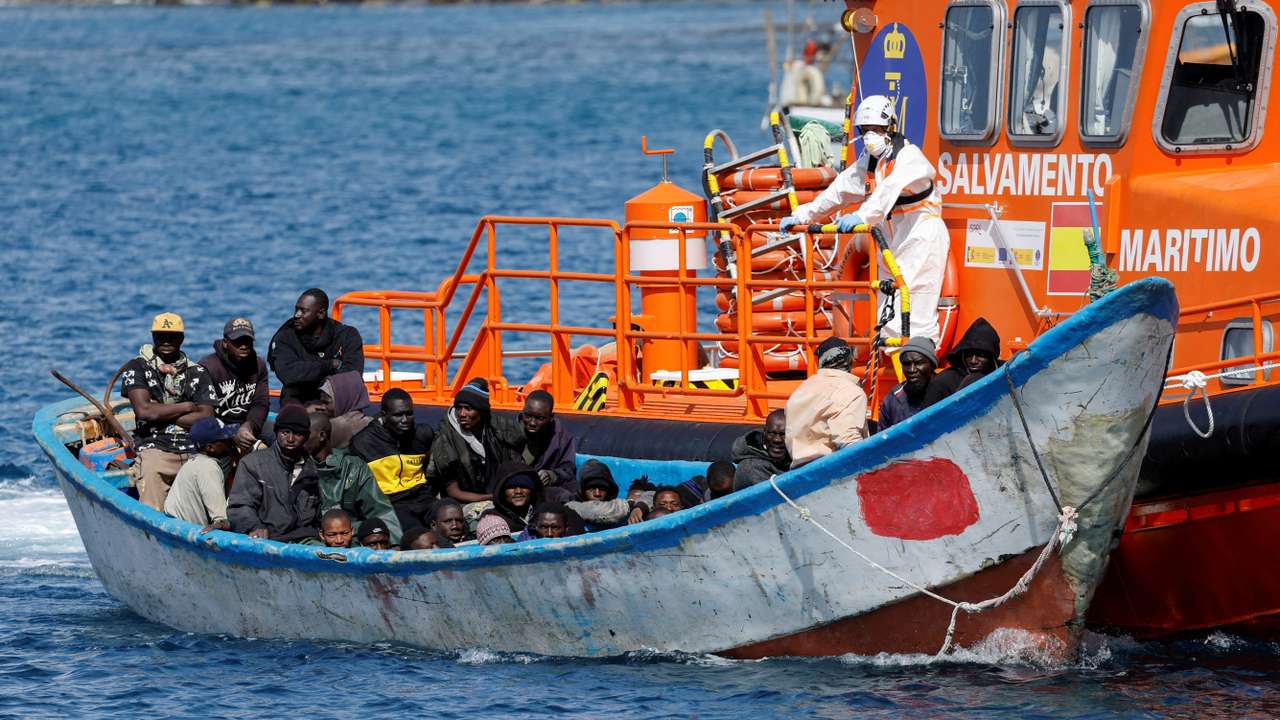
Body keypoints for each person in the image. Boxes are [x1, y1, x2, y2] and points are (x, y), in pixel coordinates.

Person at [779, 95, 949, 346]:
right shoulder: (870, 164)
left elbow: (888, 190)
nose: (870, 135)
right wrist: (803, 214)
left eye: (877, 130)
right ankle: (888, 366)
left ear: (890, 128)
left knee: (916, 308)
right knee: (887, 305)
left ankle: (918, 365)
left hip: (921, 235)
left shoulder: (910, 158)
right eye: (866, 130)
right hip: (890, 238)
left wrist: (862, 215)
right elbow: (839, 191)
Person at [120, 312, 218, 511]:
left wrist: (161, 411)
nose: (166, 341)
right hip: (154, 448)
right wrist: (188, 406)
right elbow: (145, 411)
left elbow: (207, 417)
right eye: (161, 336)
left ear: (181, 338)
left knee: (212, 472)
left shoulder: (197, 372)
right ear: (153, 337)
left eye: (172, 336)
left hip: (193, 449)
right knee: (151, 475)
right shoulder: (137, 367)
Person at [227, 405, 321, 543]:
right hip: (268, 540)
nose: (290, 439)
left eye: (298, 434)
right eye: (285, 432)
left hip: (306, 540)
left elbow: (320, 513)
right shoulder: (253, 464)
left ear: (306, 437)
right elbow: (239, 506)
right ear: (276, 432)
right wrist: (255, 526)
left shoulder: (313, 468)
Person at [306, 412, 403, 547]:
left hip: (352, 541)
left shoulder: (353, 468)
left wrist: (394, 546)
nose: (297, 439)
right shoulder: (296, 469)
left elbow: (380, 510)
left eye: (304, 434)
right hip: (312, 543)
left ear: (322, 436)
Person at [349, 389, 436, 531]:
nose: (405, 420)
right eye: (398, 415)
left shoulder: (423, 434)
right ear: (384, 415)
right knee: (416, 530)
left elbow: (427, 464)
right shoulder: (363, 442)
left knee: (448, 512)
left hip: (422, 498)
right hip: (390, 503)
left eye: (409, 414)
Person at [428, 378, 522, 504]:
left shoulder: (497, 429)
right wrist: (490, 498)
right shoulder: (446, 439)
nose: (462, 414)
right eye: (459, 408)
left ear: (481, 411)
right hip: (462, 503)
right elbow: (454, 492)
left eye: (468, 408)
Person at [784, 336, 869, 467]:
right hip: (831, 471)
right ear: (850, 360)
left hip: (799, 469)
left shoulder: (802, 388)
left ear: (820, 361)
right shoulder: (851, 392)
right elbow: (848, 441)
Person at [268, 288, 364, 397]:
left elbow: (353, 375)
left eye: (303, 311)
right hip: (300, 401)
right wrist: (330, 365)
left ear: (321, 313)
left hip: (335, 401)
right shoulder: (285, 336)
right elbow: (289, 374)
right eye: (296, 310)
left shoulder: (347, 335)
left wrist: (313, 378)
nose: (297, 315)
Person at [197, 317, 269, 452]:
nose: (244, 346)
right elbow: (205, 416)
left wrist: (249, 425)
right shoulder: (207, 367)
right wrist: (231, 433)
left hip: (248, 424)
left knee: (280, 433)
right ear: (225, 343)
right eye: (238, 341)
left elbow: (261, 403)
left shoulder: (258, 365)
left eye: (247, 341)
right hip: (218, 428)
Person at [163, 417, 237, 531]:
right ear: (210, 447)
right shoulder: (209, 467)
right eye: (225, 439)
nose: (230, 440)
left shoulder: (192, 462)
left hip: (175, 524)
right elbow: (222, 521)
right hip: (189, 534)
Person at [514, 390, 577, 503]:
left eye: (540, 418)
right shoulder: (509, 431)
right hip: (515, 487)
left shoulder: (561, 436)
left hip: (546, 488)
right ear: (522, 412)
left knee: (572, 488)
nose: (532, 423)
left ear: (551, 417)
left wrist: (552, 475)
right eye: (528, 416)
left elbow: (568, 469)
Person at [879, 336, 952, 430]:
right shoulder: (893, 399)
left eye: (918, 363)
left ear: (932, 365)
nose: (912, 370)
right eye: (906, 364)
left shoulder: (948, 392)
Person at [565, 460, 646, 532]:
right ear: (581, 490)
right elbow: (595, 510)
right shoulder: (572, 506)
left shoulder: (622, 506)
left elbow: (654, 498)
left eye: (602, 488)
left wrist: (640, 507)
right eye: (591, 488)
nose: (597, 493)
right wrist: (631, 502)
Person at [935, 317, 1002, 394]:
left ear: (992, 356)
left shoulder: (1006, 372)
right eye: (969, 355)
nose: (973, 361)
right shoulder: (943, 382)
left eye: (981, 355)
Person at [732, 409, 791, 490]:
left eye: (783, 434)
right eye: (771, 433)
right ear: (764, 433)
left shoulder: (800, 455)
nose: (777, 440)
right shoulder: (752, 467)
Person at [318, 371, 373, 450]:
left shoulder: (331, 428)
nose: (321, 407)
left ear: (343, 400)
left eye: (326, 403)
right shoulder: (372, 424)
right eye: (321, 402)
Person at [486, 462, 541, 534]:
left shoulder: (545, 514)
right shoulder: (492, 519)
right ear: (502, 491)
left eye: (524, 486)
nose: (518, 491)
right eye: (511, 487)